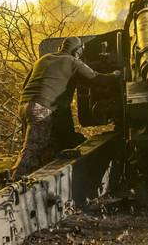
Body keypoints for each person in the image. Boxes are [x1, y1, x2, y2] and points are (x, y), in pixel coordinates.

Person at [12, 37, 119, 178]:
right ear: (77, 51)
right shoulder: (73, 62)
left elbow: (26, 83)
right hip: (42, 108)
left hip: (25, 105)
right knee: (33, 149)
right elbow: (97, 79)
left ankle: (34, 180)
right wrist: (116, 75)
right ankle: (14, 182)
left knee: (48, 148)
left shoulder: (44, 59)